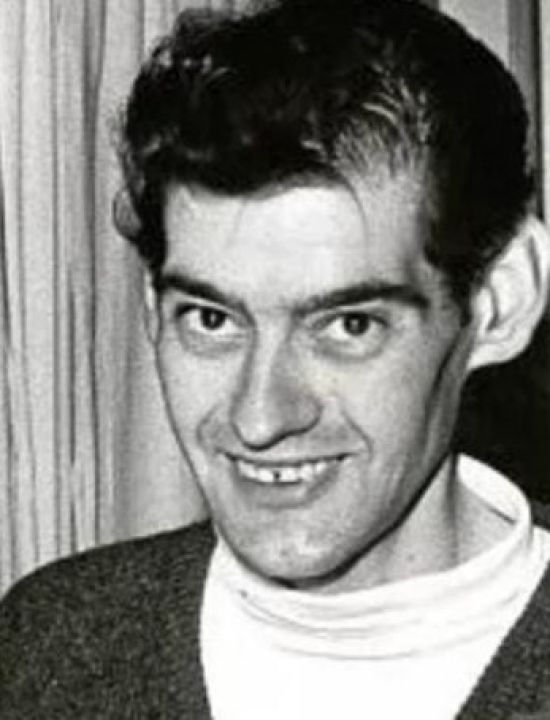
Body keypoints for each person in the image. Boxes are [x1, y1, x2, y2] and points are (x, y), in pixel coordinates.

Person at [2, 0, 550, 717]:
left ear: (500, 304)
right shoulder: (50, 643)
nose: (259, 419)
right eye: (211, 320)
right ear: (152, 310)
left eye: (349, 325)